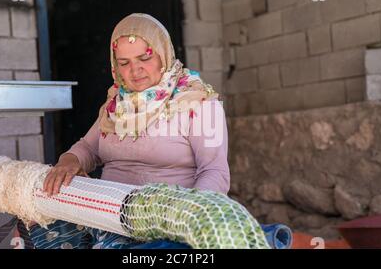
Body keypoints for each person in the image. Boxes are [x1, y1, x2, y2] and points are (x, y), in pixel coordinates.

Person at [24, 13, 290, 249]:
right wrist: (68, 161)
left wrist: (188, 215)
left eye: (144, 58)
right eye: (124, 62)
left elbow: (215, 172)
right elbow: (88, 148)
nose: (135, 70)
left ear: (163, 54)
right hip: (110, 214)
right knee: (34, 221)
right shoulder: (116, 104)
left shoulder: (198, 102)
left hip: (168, 216)